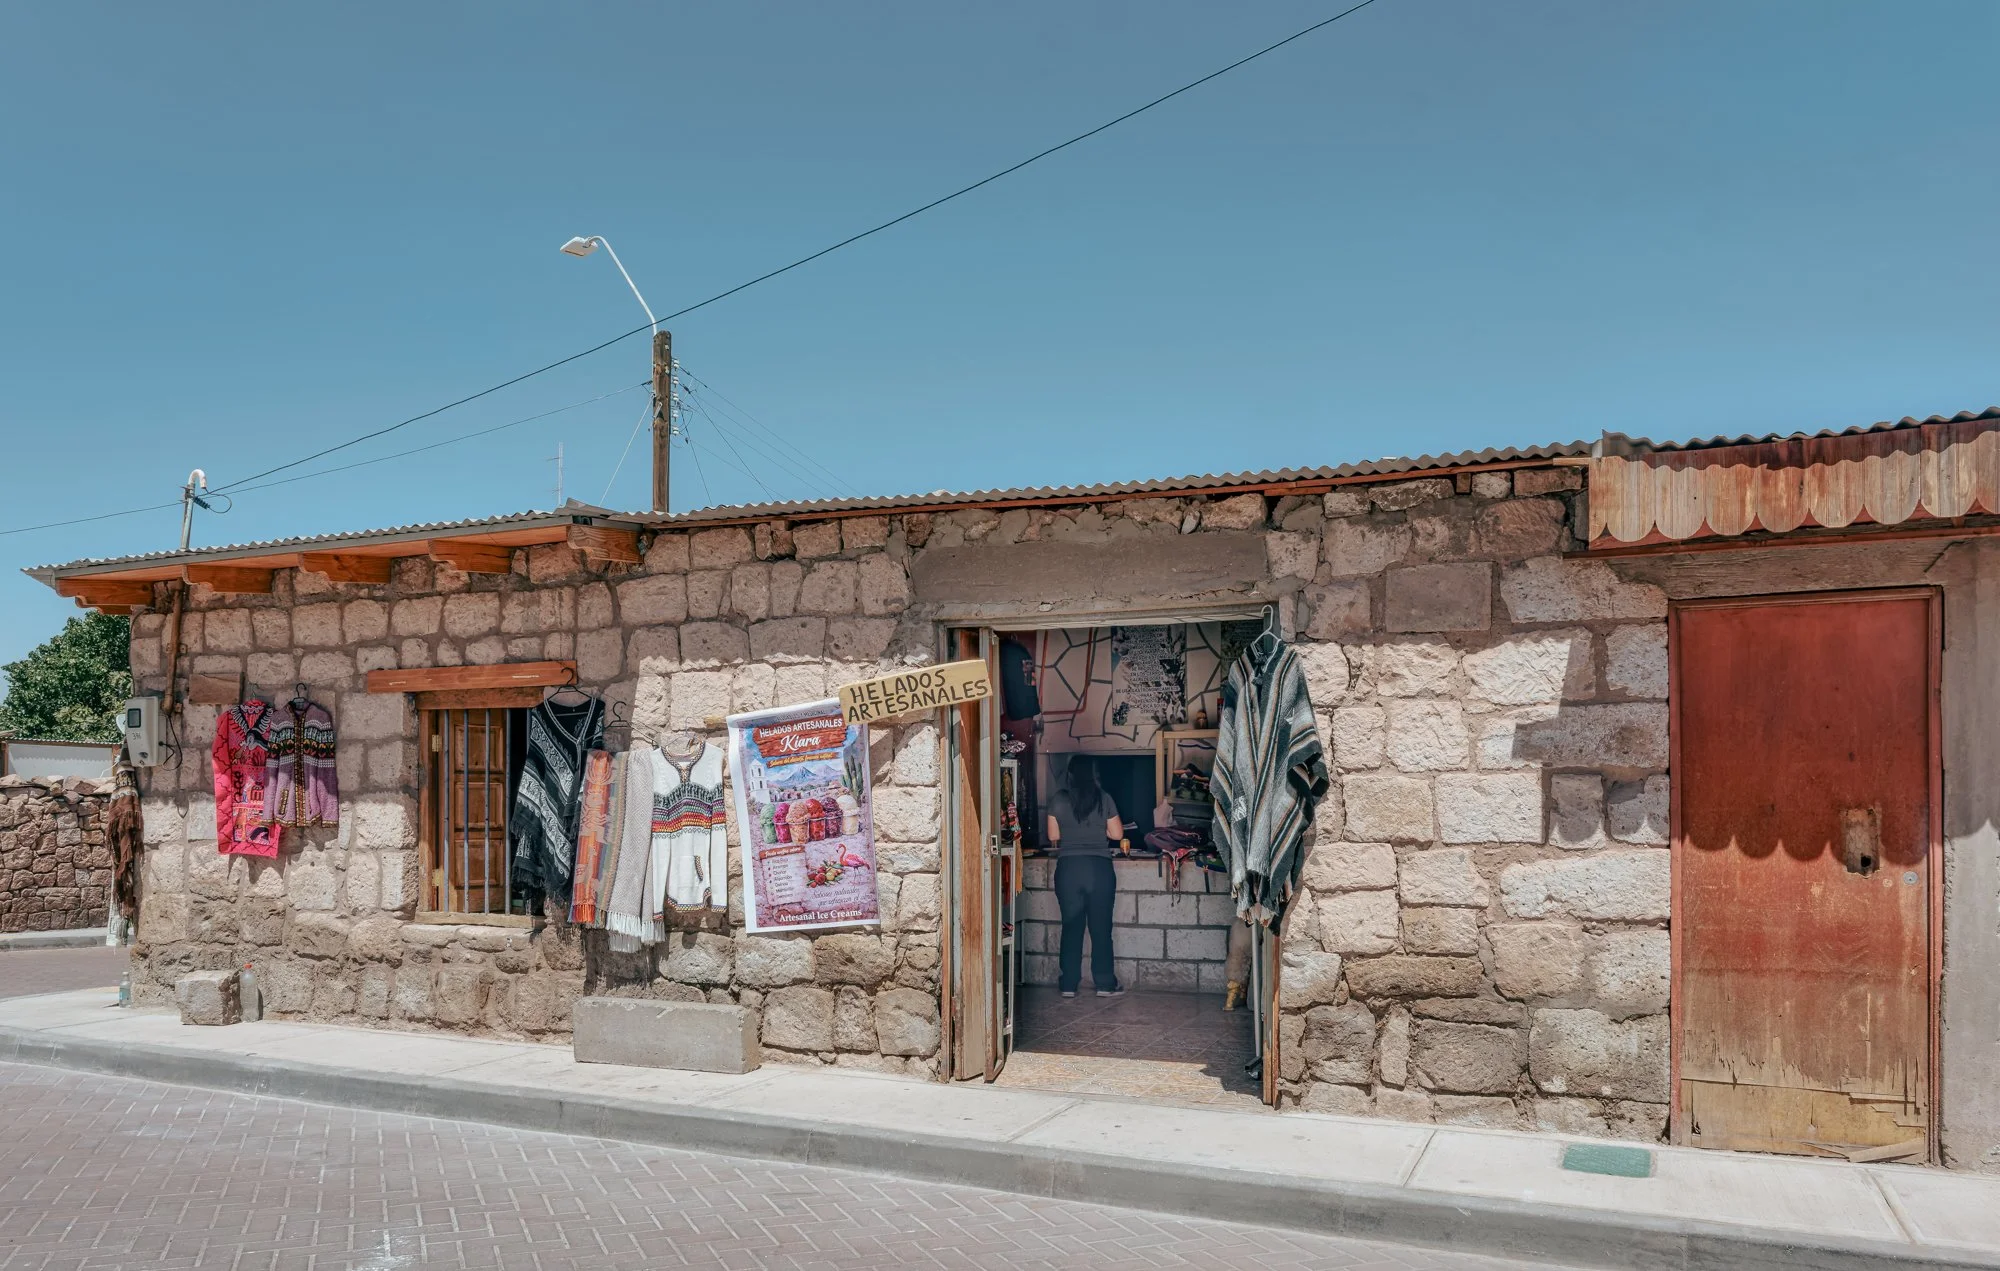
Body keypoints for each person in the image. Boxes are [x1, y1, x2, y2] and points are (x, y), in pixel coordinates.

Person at [1045, 753, 1126, 998]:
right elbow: (1117, 834)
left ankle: (1068, 985)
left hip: (1069, 869)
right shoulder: (1104, 798)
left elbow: (1053, 836)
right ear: (1094, 774)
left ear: (1069, 774)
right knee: (1101, 929)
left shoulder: (1059, 800)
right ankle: (1105, 984)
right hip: (1099, 869)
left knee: (1071, 927)